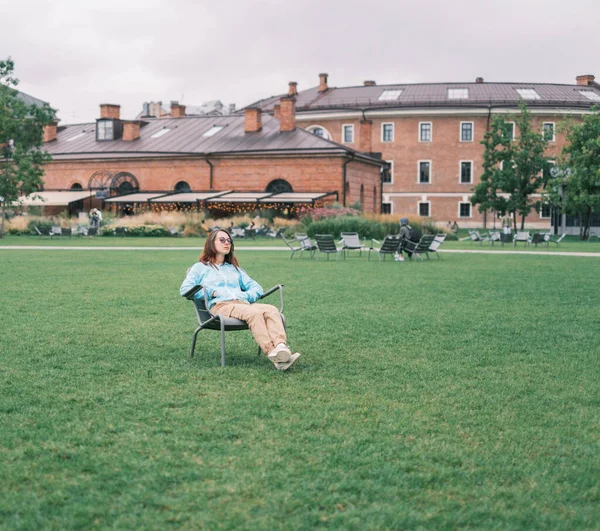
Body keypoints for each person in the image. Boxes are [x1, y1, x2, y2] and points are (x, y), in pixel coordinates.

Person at [180, 229, 301, 371]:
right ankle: (271, 351)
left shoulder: (235, 269)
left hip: (242, 304)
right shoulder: (200, 268)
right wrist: (211, 292)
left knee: (271, 310)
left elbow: (256, 287)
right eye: (222, 240)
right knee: (253, 313)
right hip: (221, 306)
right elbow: (185, 289)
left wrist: (245, 296)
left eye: (229, 240)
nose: (227, 243)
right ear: (211, 243)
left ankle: (281, 348)